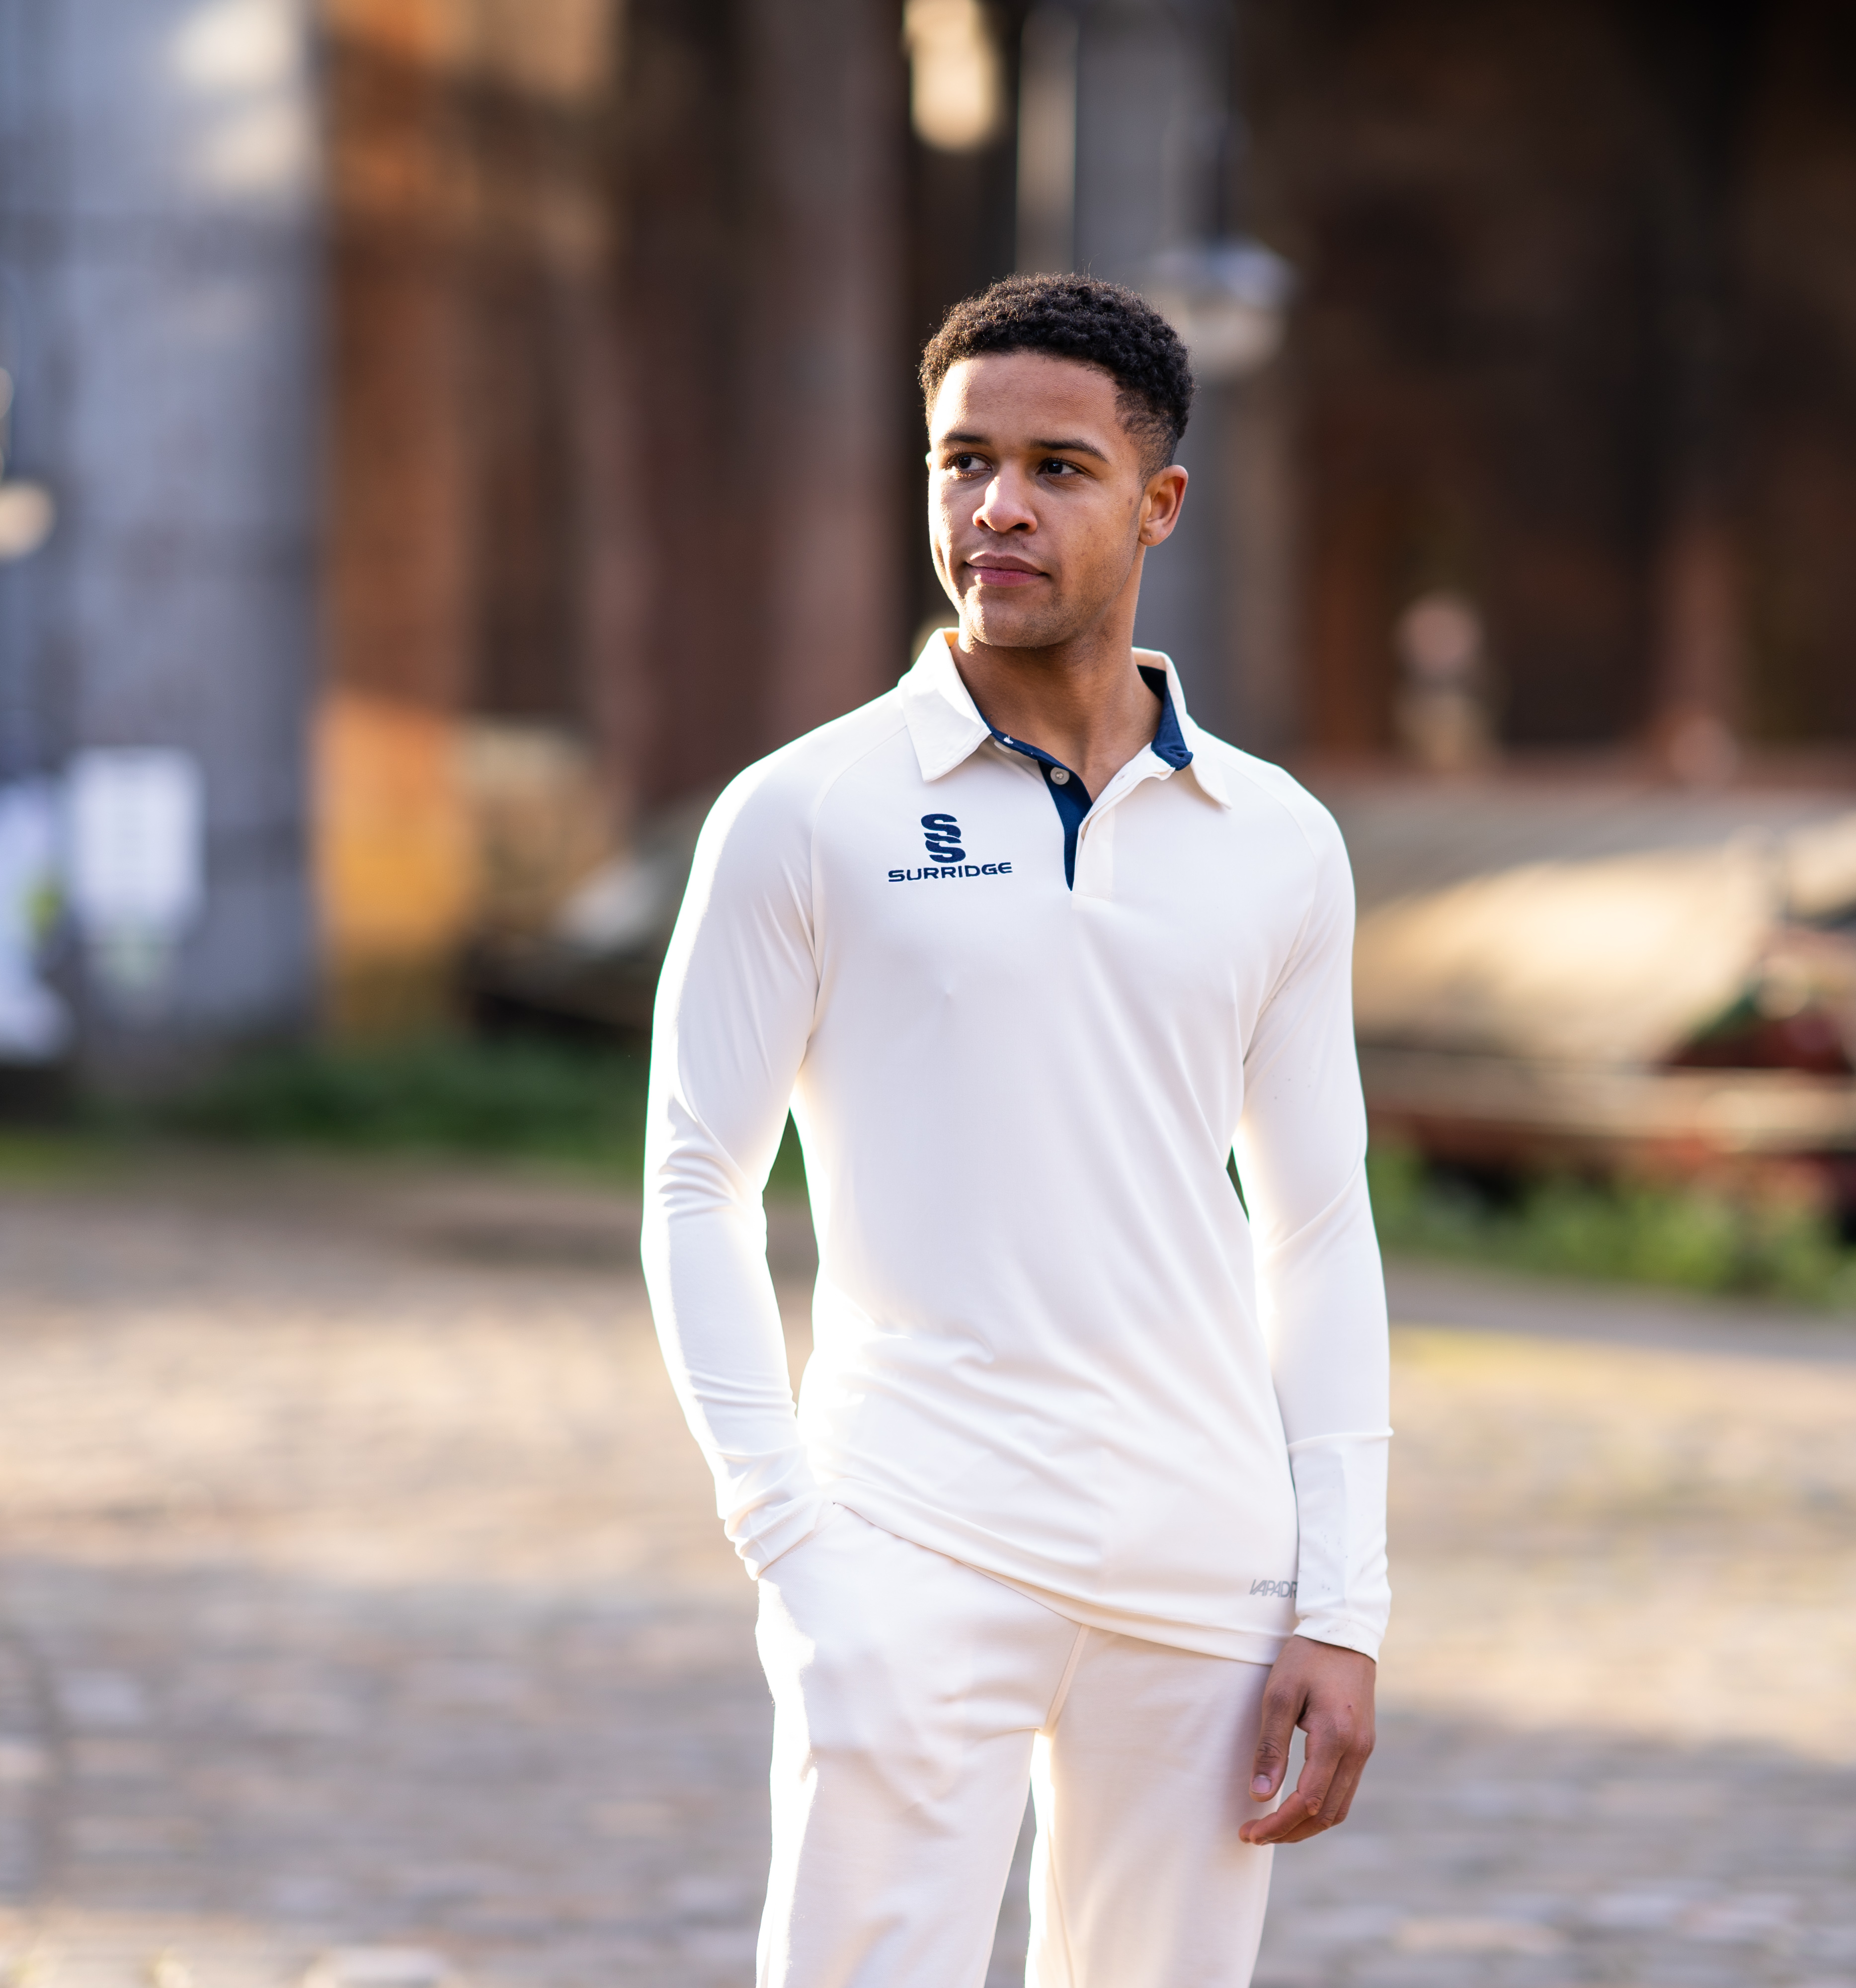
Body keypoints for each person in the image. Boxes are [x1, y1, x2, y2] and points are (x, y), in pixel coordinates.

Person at [643, 272, 1390, 1988]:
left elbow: (1317, 1225)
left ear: (1160, 502)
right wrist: (792, 1547)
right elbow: (694, 1179)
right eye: (963, 460)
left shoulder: (1276, 836)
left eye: (1058, 468)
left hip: (1205, 1568)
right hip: (913, 1537)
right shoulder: (804, 811)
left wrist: (1341, 1602)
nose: (997, 507)